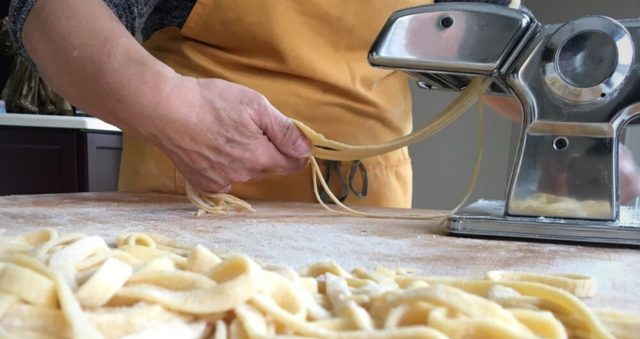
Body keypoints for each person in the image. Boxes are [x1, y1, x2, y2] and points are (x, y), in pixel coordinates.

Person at [8, 0, 639, 207]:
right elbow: (51, 13)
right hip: (193, 210)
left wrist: (574, 120)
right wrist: (172, 107)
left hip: (373, 221)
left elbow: (500, 52)